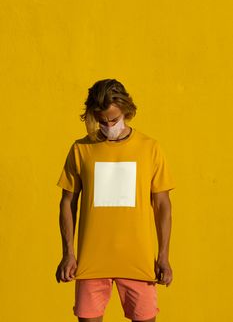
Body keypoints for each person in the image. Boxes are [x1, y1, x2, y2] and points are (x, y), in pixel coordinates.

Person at [55, 79, 175, 322]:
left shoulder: (149, 148)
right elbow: (67, 202)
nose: (109, 126)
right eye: (102, 121)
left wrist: (163, 255)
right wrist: (68, 252)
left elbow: (162, 205)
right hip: (91, 263)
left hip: (138, 262)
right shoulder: (81, 149)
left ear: (126, 111)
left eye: (114, 119)